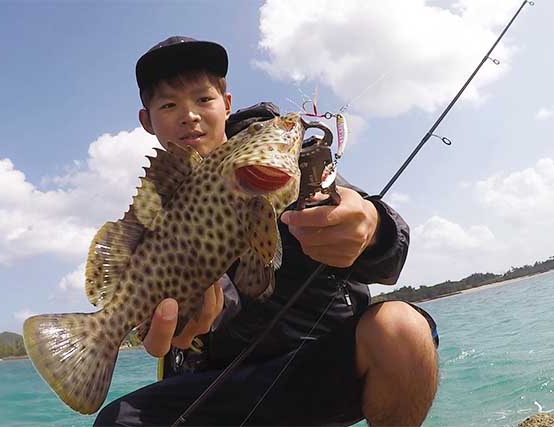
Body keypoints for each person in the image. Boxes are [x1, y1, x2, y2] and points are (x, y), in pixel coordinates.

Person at [94, 36, 439, 426]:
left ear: (226, 104)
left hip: (321, 364)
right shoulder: (160, 206)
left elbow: (389, 261)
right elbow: (226, 293)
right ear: (147, 120)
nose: (188, 115)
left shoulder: (283, 163)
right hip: (223, 383)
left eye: (203, 100)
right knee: (118, 421)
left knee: (403, 330)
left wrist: (372, 227)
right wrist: (191, 310)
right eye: (169, 105)